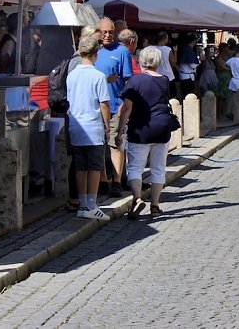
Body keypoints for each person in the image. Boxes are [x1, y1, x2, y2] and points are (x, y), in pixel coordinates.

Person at [117, 46, 176, 219]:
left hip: (140, 128)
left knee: (135, 167)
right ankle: (155, 206)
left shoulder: (135, 81)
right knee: (159, 168)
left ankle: (137, 199)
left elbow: (127, 108)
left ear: (141, 61)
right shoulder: (165, 80)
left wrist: (120, 130)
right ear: (157, 62)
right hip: (162, 128)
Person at [67, 36, 111, 221]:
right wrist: (107, 127)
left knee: (80, 166)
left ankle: (83, 202)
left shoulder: (72, 75)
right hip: (92, 126)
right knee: (94, 166)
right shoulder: (98, 76)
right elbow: (104, 104)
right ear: (96, 54)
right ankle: (91, 205)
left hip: (75, 125)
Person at [94, 17, 133, 197]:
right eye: (104, 32)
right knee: (99, 145)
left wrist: (124, 103)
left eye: (110, 32)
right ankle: (102, 181)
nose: (108, 35)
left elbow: (128, 80)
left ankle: (116, 181)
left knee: (116, 144)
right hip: (96, 107)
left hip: (115, 104)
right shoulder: (94, 52)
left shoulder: (122, 51)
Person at [176, 34, 199, 99]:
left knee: (185, 95)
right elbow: (192, 64)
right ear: (193, 41)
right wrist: (199, 61)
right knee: (188, 96)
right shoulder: (188, 50)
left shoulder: (184, 49)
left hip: (184, 75)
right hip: (187, 77)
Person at [155, 31, 177, 97]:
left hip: (157, 74)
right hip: (168, 75)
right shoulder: (168, 49)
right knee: (172, 96)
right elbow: (173, 63)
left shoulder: (152, 49)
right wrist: (175, 51)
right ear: (165, 39)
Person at [214, 43, 232, 118]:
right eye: (226, 49)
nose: (228, 50)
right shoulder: (218, 58)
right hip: (221, 78)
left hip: (227, 78)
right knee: (221, 97)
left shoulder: (228, 57)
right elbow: (219, 68)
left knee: (226, 97)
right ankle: (219, 114)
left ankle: (224, 112)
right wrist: (226, 68)